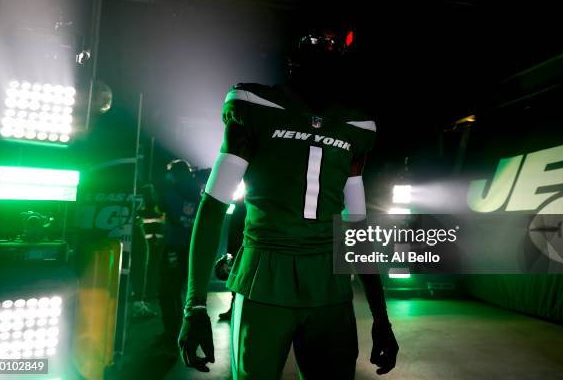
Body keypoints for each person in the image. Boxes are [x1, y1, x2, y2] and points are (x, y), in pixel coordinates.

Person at [178, 21, 399, 379]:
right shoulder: (256, 105)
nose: (325, 50)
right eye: (316, 43)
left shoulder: (356, 125)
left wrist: (381, 318)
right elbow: (214, 205)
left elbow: (356, 229)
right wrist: (195, 306)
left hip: (326, 285)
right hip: (267, 278)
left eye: (332, 45)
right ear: (293, 58)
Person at [156, 159, 201, 350]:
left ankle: (171, 332)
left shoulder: (169, 193)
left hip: (173, 248)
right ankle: (181, 329)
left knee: (167, 291)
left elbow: (160, 205)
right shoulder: (199, 195)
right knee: (179, 290)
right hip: (191, 250)